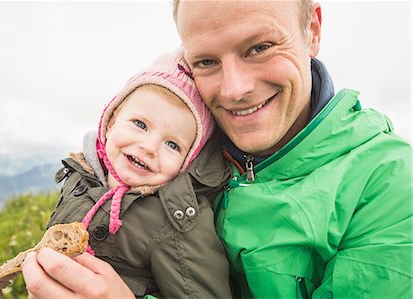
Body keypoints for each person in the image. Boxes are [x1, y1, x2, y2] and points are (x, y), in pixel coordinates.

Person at [24, 1, 412, 298]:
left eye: (259, 47)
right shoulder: (176, 158)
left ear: (311, 29)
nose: (233, 89)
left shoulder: (390, 187)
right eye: (206, 61)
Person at [24, 49, 232, 298]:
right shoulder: (83, 174)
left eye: (172, 145)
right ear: (111, 121)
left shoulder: (178, 221)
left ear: (186, 162)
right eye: (140, 125)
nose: (149, 147)